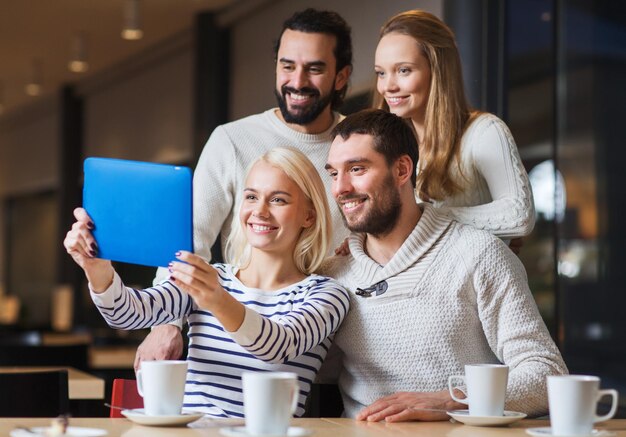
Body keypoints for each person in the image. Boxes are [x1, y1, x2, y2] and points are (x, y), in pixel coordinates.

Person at [135, 8, 353, 368]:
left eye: (314, 68)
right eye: (286, 66)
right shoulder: (232, 140)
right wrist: (167, 322)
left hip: (340, 362)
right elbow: (189, 240)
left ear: (341, 76)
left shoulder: (356, 147)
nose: (297, 81)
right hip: (244, 359)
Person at [64, 147, 350, 418]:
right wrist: (97, 269)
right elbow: (126, 314)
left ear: (309, 216)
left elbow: (276, 345)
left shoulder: (327, 295)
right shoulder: (213, 278)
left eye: (278, 200)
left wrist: (216, 298)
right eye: (251, 197)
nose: (260, 211)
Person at [322, 109, 567, 422]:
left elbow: (547, 376)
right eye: (333, 173)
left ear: (401, 170)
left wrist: (451, 400)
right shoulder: (332, 275)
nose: (340, 188)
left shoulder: (479, 254)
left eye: (356, 169)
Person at [373, 10, 534, 253]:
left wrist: (425, 218)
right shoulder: (386, 144)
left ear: (437, 70)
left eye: (404, 70)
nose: (388, 86)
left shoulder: (484, 132)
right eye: (381, 72)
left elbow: (519, 215)